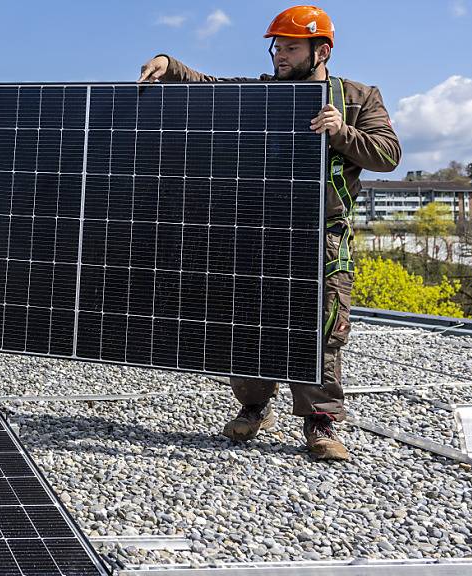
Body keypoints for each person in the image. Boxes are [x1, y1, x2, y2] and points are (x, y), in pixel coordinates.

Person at [138, 5, 401, 461]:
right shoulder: (264, 95)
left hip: (322, 235)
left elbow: (388, 154)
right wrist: (170, 63)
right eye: (277, 46)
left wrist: (341, 133)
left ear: (321, 50)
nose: (280, 54)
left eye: (291, 46)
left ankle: (320, 423)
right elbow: (211, 89)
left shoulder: (357, 97)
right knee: (250, 318)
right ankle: (255, 406)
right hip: (261, 230)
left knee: (321, 327)